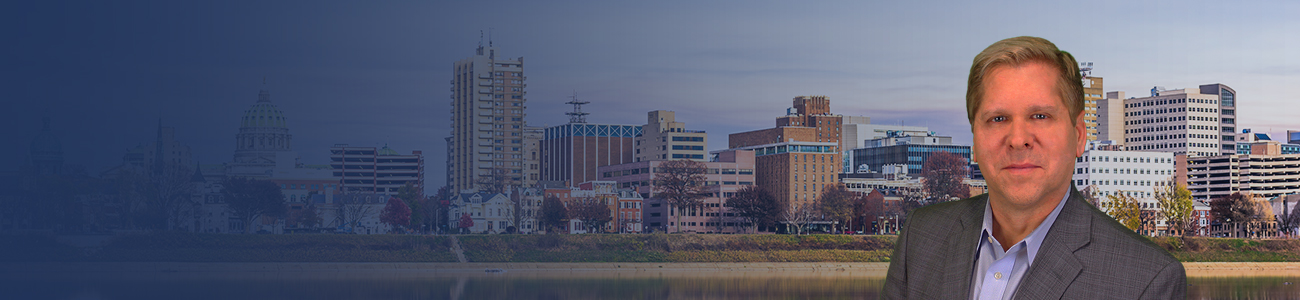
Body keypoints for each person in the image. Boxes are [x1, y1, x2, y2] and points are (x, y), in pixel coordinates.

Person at [880, 36, 1185, 299]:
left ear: (1078, 135)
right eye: (998, 119)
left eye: (1040, 116)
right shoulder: (922, 236)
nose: (1017, 139)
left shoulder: (1146, 280)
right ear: (974, 139)